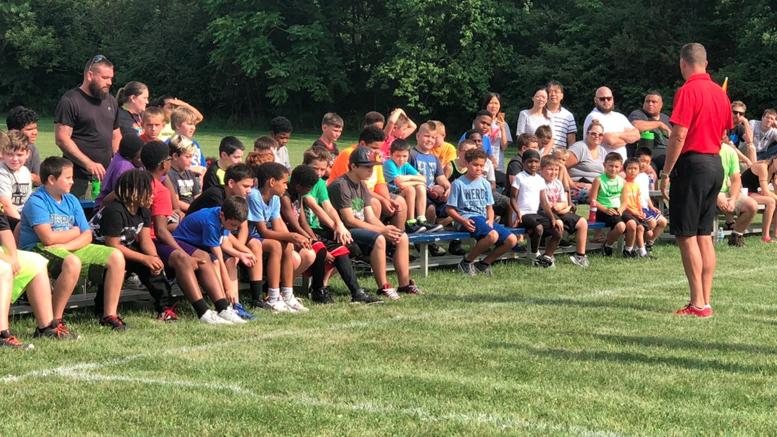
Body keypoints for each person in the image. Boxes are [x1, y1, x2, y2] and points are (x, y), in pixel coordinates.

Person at [660, 43, 732, 318]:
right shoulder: (720, 93)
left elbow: (679, 135)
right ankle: (705, 300)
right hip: (715, 163)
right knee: (704, 235)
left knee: (686, 234)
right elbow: (724, 135)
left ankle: (698, 303)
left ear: (682, 64)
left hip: (693, 164)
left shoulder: (687, 90)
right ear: (706, 62)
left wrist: (666, 172)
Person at [19, 157, 127, 330]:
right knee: (72, 262)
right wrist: (74, 232)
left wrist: (67, 244)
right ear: (52, 179)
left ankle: (109, 315)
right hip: (37, 249)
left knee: (116, 256)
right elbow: (47, 238)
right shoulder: (37, 201)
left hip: (65, 247)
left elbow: (87, 235)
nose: (72, 181)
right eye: (68, 178)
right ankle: (54, 320)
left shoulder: (71, 200)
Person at [141, 141, 240, 322]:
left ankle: (223, 308)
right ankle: (203, 311)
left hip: (144, 237)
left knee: (203, 255)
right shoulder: (160, 190)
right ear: (164, 164)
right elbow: (161, 232)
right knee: (182, 259)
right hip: (149, 241)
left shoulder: (138, 180)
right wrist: (181, 252)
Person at [280, 165, 384, 305]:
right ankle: (318, 290)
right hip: (290, 236)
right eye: (309, 190)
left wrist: (314, 239)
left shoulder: (299, 193)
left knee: (341, 251)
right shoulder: (285, 197)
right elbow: (294, 225)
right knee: (321, 250)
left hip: (302, 233)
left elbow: (303, 222)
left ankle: (357, 293)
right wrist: (313, 241)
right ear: (299, 187)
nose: (309, 192)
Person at [329, 147, 423, 299]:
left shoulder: (361, 184)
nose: (371, 170)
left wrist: (385, 228)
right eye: (367, 166)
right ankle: (383, 287)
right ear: (353, 166)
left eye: (372, 166)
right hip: (343, 231)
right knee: (379, 239)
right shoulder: (341, 185)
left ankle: (405, 285)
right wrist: (381, 231)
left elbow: (370, 216)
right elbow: (349, 220)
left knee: (401, 236)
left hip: (358, 228)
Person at [300, 146, 378, 303]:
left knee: (351, 247)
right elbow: (315, 207)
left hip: (317, 229)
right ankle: (320, 288)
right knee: (331, 250)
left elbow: (328, 207)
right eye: (315, 168)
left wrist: (339, 225)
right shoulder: (300, 181)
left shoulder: (320, 183)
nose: (319, 173)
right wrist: (335, 226)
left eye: (323, 169)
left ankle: (355, 293)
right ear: (305, 165)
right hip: (303, 230)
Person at [171, 197, 249, 323]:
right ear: (222, 215)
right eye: (233, 225)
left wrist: (240, 254)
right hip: (181, 244)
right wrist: (227, 285)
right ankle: (222, 306)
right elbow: (217, 255)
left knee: (229, 259)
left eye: (237, 226)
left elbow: (222, 244)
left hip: (199, 245)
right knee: (215, 262)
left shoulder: (223, 215)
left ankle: (229, 306)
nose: (234, 229)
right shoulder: (211, 222)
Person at [247, 162, 312, 312]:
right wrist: (293, 236)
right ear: (271, 182)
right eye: (283, 183)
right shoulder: (255, 197)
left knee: (287, 245)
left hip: (262, 237)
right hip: (249, 238)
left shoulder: (275, 197)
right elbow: (263, 231)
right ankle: (273, 296)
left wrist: (291, 238)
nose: (286, 187)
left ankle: (288, 295)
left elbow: (276, 228)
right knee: (277, 245)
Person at [54, 55, 121, 198]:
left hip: (106, 176)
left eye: (111, 78)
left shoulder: (111, 101)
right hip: (78, 178)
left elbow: (116, 135)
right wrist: (89, 163)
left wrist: (118, 162)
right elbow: (62, 139)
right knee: (79, 217)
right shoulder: (70, 101)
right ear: (90, 75)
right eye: (105, 78)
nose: (109, 82)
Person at [446, 148, 518, 276]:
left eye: (481, 165)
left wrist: (490, 220)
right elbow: (449, 209)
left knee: (511, 239)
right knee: (492, 236)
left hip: (483, 218)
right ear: (467, 164)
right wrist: (462, 220)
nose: (478, 168)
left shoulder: (485, 184)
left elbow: (489, 207)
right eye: (475, 165)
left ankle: (483, 264)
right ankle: (467, 262)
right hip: (466, 219)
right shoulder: (458, 184)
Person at [329, 126, 408, 231]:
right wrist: (382, 200)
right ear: (362, 144)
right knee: (375, 203)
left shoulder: (376, 157)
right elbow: (354, 185)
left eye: (380, 148)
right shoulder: (350, 154)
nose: (377, 152)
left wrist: (387, 200)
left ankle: (394, 238)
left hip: (369, 193)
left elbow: (380, 182)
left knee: (400, 202)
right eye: (374, 148)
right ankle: (372, 238)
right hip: (352, 196)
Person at [510, 149, 559, 267]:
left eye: (536, 162)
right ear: (523, 163)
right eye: (530, 161)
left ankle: (546, 257)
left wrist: (552, 218)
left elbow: (544, 202)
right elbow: (512, 198)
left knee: (557, 231)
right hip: (522, 215)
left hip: (534, 214)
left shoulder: (540, 179)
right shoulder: (519, 177)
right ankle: (535, 255)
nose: (533, 165)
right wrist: (518, 212)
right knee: (539, 228)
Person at [538, 155, 590, 267]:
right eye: (550, 169)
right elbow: (545, 205)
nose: (553, 172)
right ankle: (548, 257)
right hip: (543, 212)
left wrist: (562, 207)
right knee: (557, 225)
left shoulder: (557, 183)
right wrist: (563, 209)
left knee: (582, 222)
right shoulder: (539, 182)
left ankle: (580, 256)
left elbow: (564, 201)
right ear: (541, 169)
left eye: (556, 169)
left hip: (558, 210)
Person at [383, 139, 441, 233]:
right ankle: (410, 222)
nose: (401, 159)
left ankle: (421, 220)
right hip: (391, 195)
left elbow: (423, 179)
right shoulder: (389, 163)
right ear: (390, 154)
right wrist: (416, 181)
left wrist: (408, 177)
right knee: (410, 189)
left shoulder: (405, 164)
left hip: (400, 192)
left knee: (421, 187)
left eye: (404, 156)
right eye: (398, 156)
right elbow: (400, 184)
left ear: (408, 155)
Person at [412, 122, 453, 236]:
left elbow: (440, 177)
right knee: (430, 208)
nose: (430, 140)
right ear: (417, 136)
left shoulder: (434, 158)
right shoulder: (412, 154)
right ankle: (426, 238)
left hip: (433, 193)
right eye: (427, 136)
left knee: (453, 207)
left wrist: (447, 186)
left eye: (433, 137)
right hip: (418, 194)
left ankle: (454, 240)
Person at [717, 142, 758, 247]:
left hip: (726, 191)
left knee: (752, 206)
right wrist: (716, 194)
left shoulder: (730, 151)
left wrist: (733, 199)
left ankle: (736, 236)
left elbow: (736, 180)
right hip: (705, 191)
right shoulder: (701, 148)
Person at [583, 87, 640, 161]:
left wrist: (616, 136)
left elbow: (637, 135)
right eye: (602, 99)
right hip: (603, 165)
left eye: (609, 98)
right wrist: (627, 139)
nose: (606, 101)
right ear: (595, 100)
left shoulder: (620, 116)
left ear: (612, 99)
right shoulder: (593, 117)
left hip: (622, 164)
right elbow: (610, 141)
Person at [590, 152, 630, 257]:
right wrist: (605, 210)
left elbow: (625, 201)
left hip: (618, 209)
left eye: (616, 166)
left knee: (632, 224)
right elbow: (593, 200)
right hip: (603, 210)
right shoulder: (599, 180)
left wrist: (621, 209)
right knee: (621, 226)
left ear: (621, 167)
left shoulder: (622, 181)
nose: (613, 169)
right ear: (604, 165)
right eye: (610, 166)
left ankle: (629, 250)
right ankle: (608, 245)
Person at [93, 134, 145, 211]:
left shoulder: (128, 157)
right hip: (108, 210)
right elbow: (122, 195)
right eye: (140, 158)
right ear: (129, 158)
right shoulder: (123, 166)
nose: (144, 159)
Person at [634, 148, 668, 251]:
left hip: (646, 206)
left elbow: (646, 194)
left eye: (648, 162)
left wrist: (652, 206)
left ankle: (649, 243)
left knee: (663, 221)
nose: (644, 164)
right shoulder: (633, 176)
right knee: (652, 223)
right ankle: (639, 246)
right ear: (636, 159)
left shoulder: (645, 176)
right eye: (642, 161)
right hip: (637, 207)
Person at [566, 119, 607, 204]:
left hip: (596, 185)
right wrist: (571, 183)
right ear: (587, 134)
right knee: (595, 193)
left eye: (600, 134)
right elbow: (560, 165)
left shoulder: (603, 151)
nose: (597, 136)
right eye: (593, 133)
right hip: (578, 188)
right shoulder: (579, 148)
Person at [739, 156, 777, 242]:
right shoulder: (763, 167)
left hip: (753, 192)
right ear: (774, 159)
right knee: (771, 202)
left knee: (774, 201)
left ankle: (775, 233)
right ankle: (765, 236)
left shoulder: (774, 173)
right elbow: (766, 192)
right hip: (743, 191)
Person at [0, 130, 33, 230]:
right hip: (7, 219)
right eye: (10, 154)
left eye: (19, 155)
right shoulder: (2, 172)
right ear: (3, 153)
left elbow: (28, 201)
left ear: (28, 154)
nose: (15, 159)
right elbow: (6, 206)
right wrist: (23, 225)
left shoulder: (25, 171)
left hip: (23, 215)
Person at [621, 158, 652, 258]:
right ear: (624, 170)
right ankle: (642, 253)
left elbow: (638, 201)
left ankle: (636, 249)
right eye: (630, 168)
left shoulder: (636, 185)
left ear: (639, 171)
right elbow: (623, 202)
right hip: (627, 212)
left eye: (635, 168)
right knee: (640, 228)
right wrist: (634, 212)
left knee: (649, 233)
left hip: (636, 212)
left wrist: (640, 212)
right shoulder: (623, 184)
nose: (632, 171)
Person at [628, 92, 672, 159]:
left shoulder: (666, 119)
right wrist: (658, 124)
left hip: (667, 154)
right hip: (645, 156)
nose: (650, 104)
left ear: (661, 105)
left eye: (654, 102)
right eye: (647, 101)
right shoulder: (638, 114)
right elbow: (635, 125)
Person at [5, 106, 42, 186]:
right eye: (29, 129)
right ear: (14, 131)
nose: (34, 132)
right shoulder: (3, 147)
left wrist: (28, 176)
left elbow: (41, 180)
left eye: (35, 128)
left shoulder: (32, 149)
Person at [169, 107, 207, 178]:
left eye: (194, 125)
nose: (193, 128)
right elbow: (166, 166)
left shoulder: (195, 144)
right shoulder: (168, 144)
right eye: (189, 124)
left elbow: (203, 166)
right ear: (177, 125)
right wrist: (191, 169)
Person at [167, 135, 202, 212]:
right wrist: (194, 209)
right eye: (188, 157)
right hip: (180, 212)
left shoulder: (189, 173)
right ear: (175, 156)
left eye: (192, 157)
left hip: (192, 210)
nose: (191, 161)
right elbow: (175, 202)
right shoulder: (169, 174)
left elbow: (197, 196)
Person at [482, 92, 513, 172]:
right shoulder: (480, 122)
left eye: (496, 103)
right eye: (491, 103)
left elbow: (504, 147)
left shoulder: (503, 124)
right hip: (482, 162)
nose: (494, 106)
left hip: (498, 164)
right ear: (486, 105)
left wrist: (502, 128)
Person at [545, 81, 577, 149]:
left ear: (562, 96)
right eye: (550, 91)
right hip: (541, 156)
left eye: (556, 92)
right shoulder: (539, 112)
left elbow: (571, 142)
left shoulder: (568, 116)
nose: (553, 94)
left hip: (559, 156)